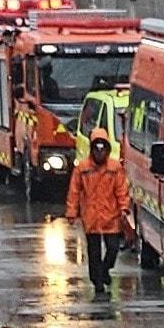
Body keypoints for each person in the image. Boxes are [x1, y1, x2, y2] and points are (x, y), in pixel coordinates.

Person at [65, 128, 131, 299]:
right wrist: (71, 212)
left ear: (107, 149)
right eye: (96, 148)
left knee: (113, 249)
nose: (99, 152)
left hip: (111, 216)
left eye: (102, 149)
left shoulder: (115, 168)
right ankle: (98, 282)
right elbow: (74, 190)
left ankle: (104, 270)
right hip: (91, 217)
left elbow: (121, 190)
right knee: (93, 253)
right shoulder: (83, 168)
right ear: (92, 148)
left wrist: (124, 208)